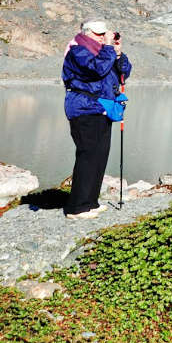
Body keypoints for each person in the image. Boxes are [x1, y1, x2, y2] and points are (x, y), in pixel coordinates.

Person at [62, 19, 132, 219]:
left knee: (100, 155)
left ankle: (90, 202)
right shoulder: (78, 51)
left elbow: (123, 73)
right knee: (88, 155)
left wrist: (118, 54)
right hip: (84, 109)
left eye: (104, 34)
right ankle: (77, 207)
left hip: (102, 109)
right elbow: (96, 70)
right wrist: (108, 48)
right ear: (86, 33)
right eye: (99, 34)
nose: (103, 37)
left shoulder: (103, 52)